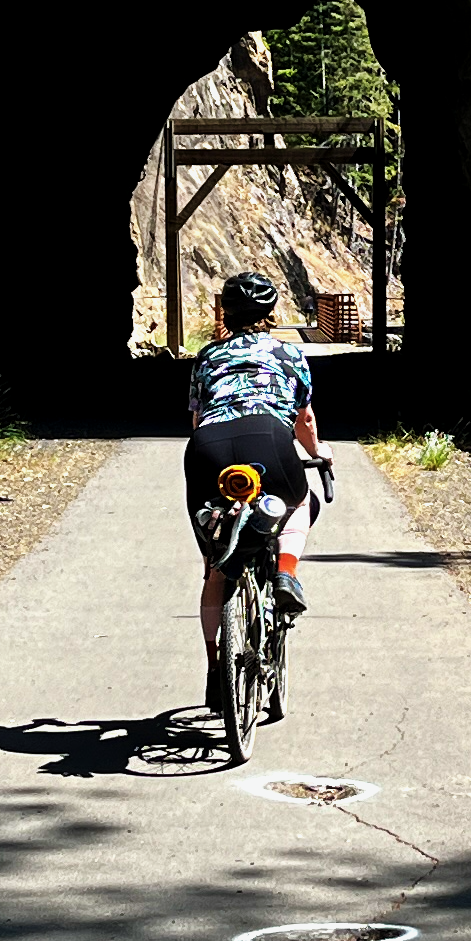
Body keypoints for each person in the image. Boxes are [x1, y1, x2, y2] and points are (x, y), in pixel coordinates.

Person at [186, 272, 323, 666]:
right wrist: (321, 452)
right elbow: (305, 419)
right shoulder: (289, 355)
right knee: (300, 501)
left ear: (226, 313)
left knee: (215, 560)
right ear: (270, 311)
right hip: (268, 438)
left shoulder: (207, 356)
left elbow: (196, 419)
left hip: (209, 446)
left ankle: (216, 666)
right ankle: (284, 572)